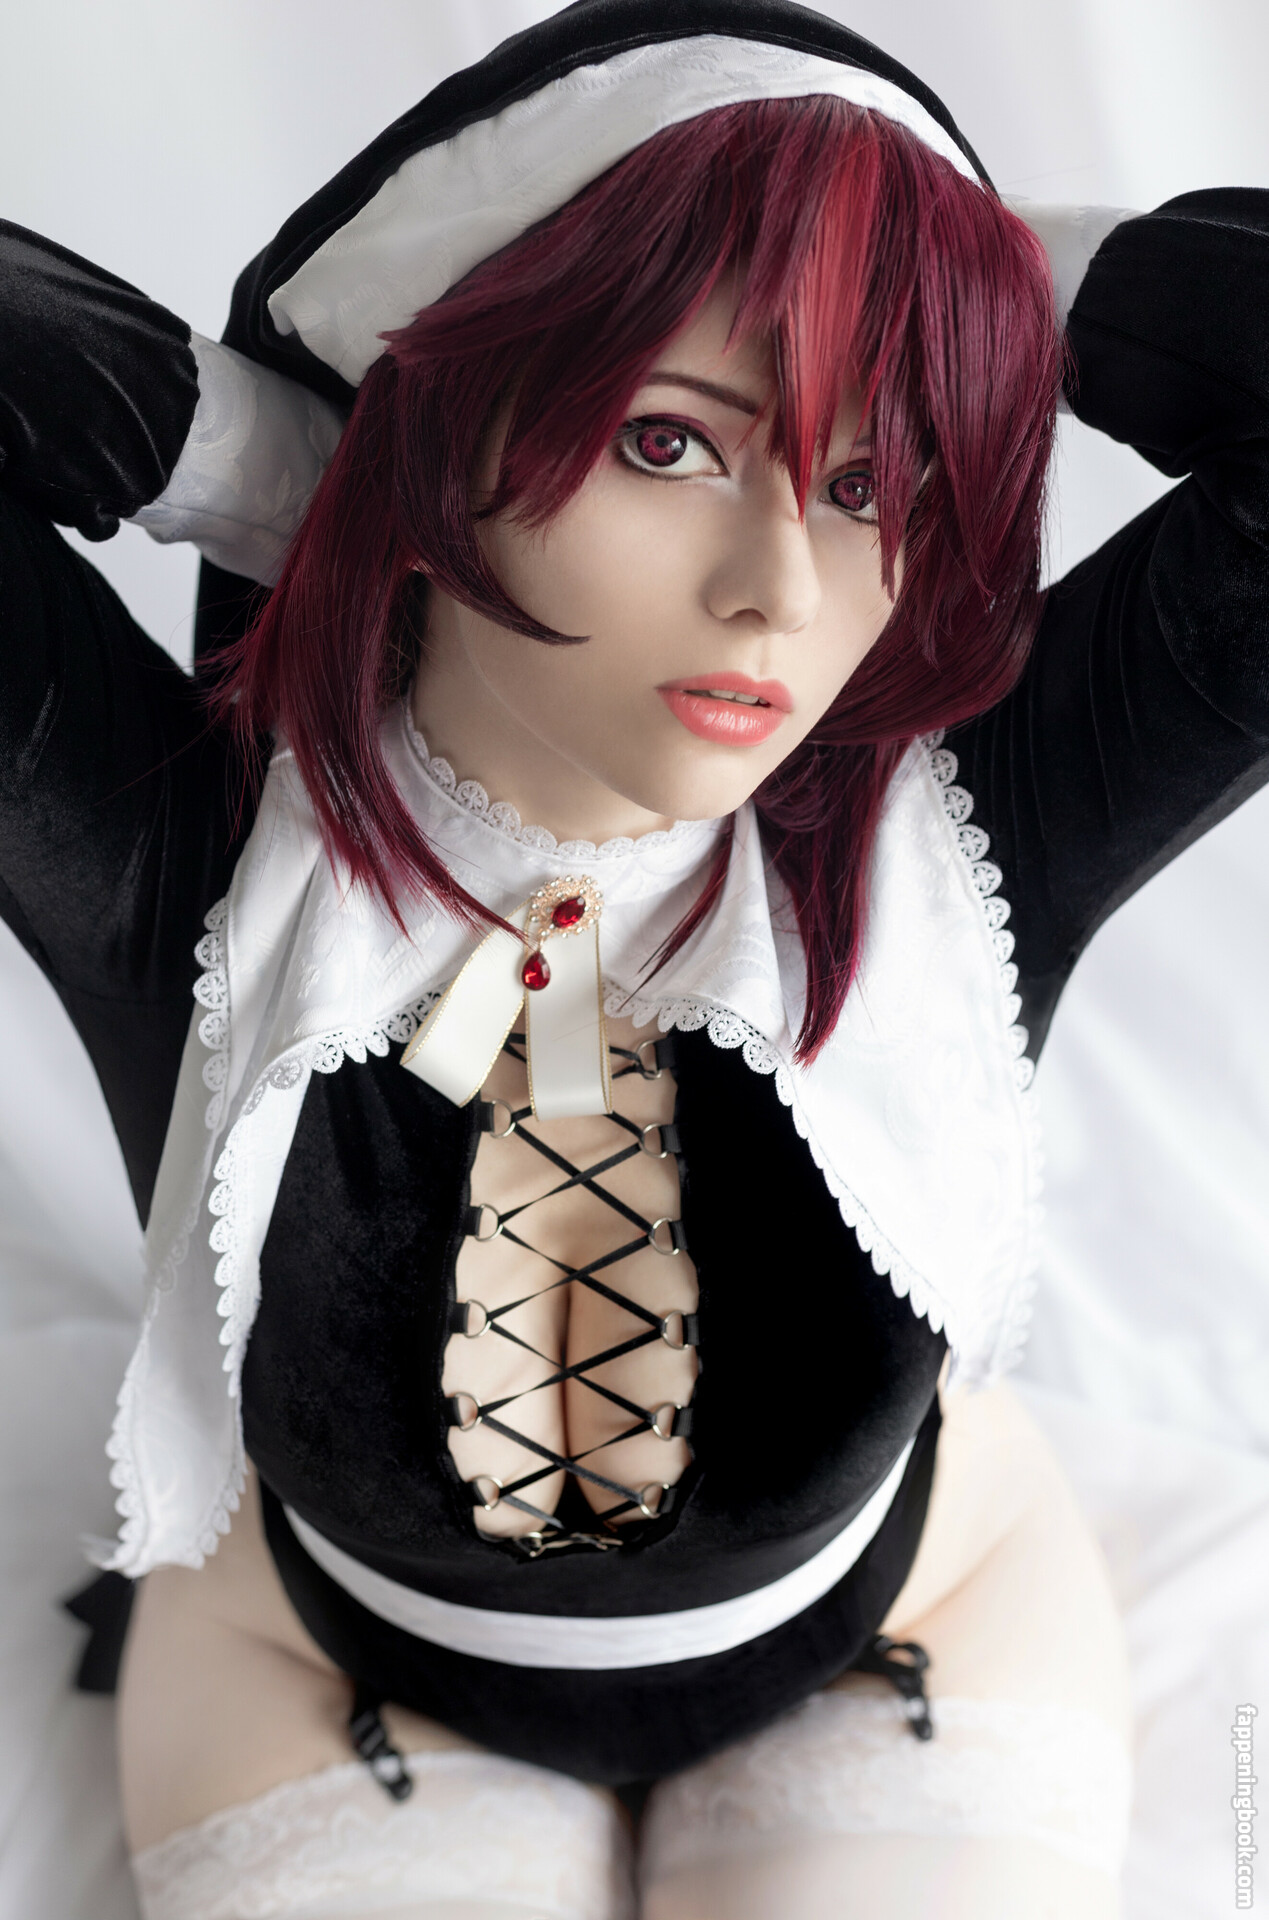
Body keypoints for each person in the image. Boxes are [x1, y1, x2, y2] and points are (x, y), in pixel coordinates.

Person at [2, 1, 1266, 1913]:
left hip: (911, 1618)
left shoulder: (962, 838)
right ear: (433, 413)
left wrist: (971, 276)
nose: (780, 589)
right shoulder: (186, 859)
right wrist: (259, 452)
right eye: (669, 442)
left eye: (869, 484)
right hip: (323, 1669)